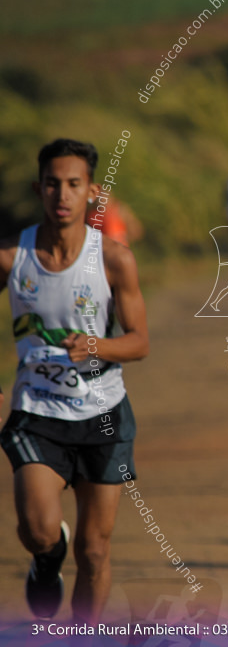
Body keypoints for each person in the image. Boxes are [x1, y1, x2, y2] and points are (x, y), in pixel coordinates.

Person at [0, 138, 149, 621]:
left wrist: (98, 347)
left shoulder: (114, 258)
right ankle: (46, 560)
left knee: (95, 551)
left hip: (103, 415)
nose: (61, 195)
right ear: (38, 188)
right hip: (37, 411)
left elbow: (139, 341)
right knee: (40, 529)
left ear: (92, 191)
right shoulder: (11, 257)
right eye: (51, 184)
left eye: (73, 185)